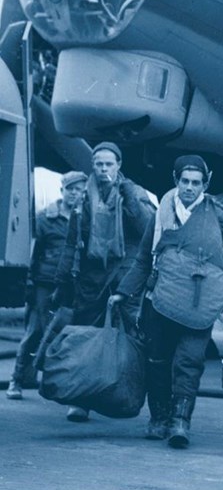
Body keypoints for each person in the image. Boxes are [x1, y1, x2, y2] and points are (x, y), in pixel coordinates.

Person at [111, 155, 223, 448]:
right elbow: (144, 259)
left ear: (205, 184)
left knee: (190, 361)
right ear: (176, 180)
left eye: (196, 183)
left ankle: (180, 421)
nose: (189, 187)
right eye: (184, 181)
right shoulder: (160, 214)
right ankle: (159, 417)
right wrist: (123, 291)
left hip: (199, 303)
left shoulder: (218, 215)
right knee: (157, 361)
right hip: (159, 300)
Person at [52, 142, 155, 422]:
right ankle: (80, 401)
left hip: (125, 277)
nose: (103, 169)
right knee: (85, 337)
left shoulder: (133, 192)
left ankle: (130, 395)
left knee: (132, 338)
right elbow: (72, 242)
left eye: (109, 164)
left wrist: (128, 195)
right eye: (98, 164)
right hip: (91, 279)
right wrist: (61, 282)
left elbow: (147, 228)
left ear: (119, 165)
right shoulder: (84, 197)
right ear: (92, 166)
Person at [6, 171, 88, 400]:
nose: (74, 193)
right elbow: (34, 253)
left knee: (65, 334)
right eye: (70, 189)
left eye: (79, 190)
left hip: (72, 285)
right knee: (35, 331)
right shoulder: (45, 219)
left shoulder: (86, 219)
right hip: (45, 282)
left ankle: (55, 385)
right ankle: (17, 380)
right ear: (62, 190)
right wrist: (29, 283)